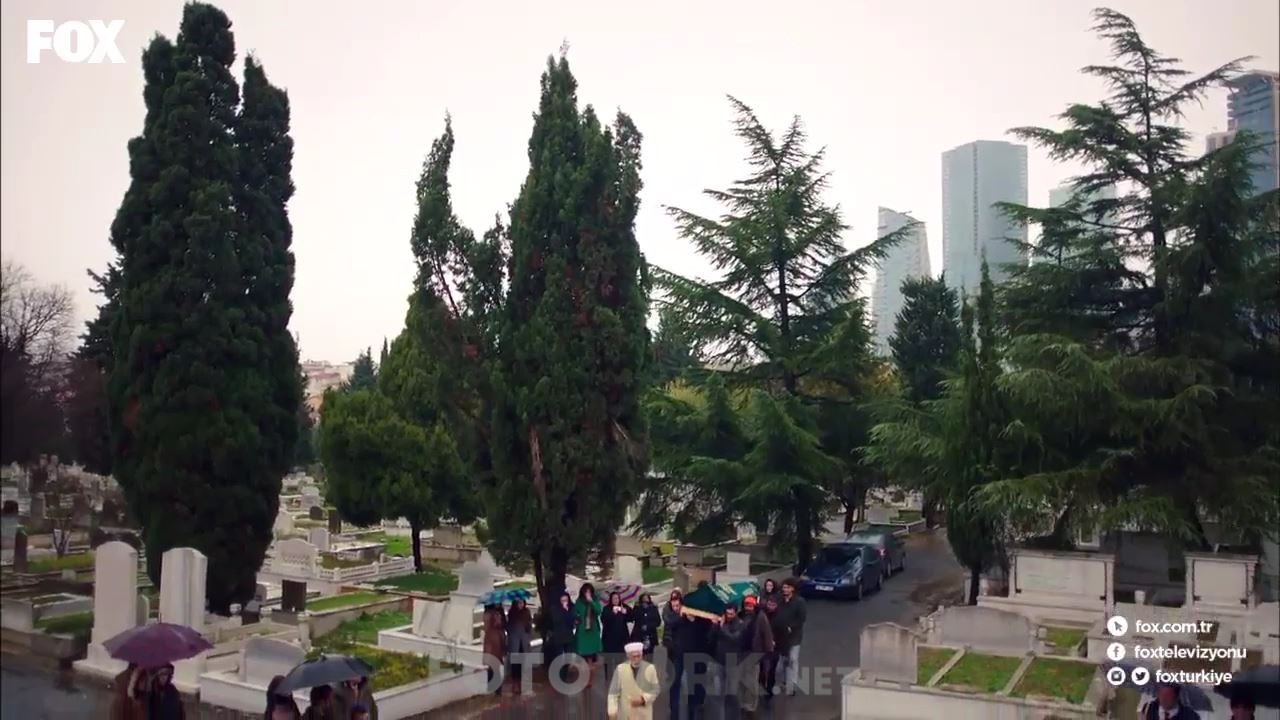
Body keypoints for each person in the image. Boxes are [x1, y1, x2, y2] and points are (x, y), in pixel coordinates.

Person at [738, 595, 774, 714]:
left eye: (750, 606)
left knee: (752, 681)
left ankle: (751, 705)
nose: (748, 608)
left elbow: (767, 635)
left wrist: (768, 652)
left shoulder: (761, 617)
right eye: (746, 605)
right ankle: (742, 702)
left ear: (755, 606)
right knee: (742, 680)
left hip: (754, 653)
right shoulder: (740, 616)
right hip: (741, 653)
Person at [712, 603, 748, 719]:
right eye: (727, 613)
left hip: (733, 661)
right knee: (719, 692)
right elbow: (712, 638)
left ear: (736, 613)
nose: (729, 616)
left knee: (733, 693)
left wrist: (722, 627)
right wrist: (715, 626)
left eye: (731, 614)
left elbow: (734, 638)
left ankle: (735, 716)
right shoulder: (721, 622)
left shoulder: (741, 624)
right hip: (720, 659)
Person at [607, 642, 659, 720]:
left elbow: (655, 689)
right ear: (628, 656)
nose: (637, 659)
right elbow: (613, 694)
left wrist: (643, 699)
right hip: (626, 715)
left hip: (643, 715)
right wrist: (612, 712)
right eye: (634, 656)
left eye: (639, 656)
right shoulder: (620, 669)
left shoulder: (650, 668)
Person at [775, 578, 807, 696]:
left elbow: (802, 618)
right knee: (782, 661)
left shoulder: (799, 602)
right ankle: (784, 680)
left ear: (792, 588)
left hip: (794, 636)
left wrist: (791, 626)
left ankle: (792, 685)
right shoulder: (779, 600)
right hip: (781, 636)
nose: (785, 589)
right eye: (784, 587)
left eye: (787, 587)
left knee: (793, 659)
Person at [573, 583, 604, 684]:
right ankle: (584, 677)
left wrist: (591, 602)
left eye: (589, 591)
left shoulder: (595, 600)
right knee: (583, 655)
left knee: (591, 656)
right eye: (586, 591)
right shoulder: (579, 602)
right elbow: (575, 613)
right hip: (582, 632)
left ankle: (589, 679)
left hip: (592, 631)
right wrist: (576, 619)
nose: (587, 593)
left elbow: (598, 611)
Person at [602, 591, 634, 686]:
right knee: (609, 659)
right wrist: (613, 613)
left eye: (617, 598)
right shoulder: (607, 608)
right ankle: (609, 678)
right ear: (611, 600)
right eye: (614, 598)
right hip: (609, 639)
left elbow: (631, 617)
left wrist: (626, 612)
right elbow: (604, 619)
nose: (616, 600)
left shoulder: (623, 606)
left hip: (621, 638)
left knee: (620, 659)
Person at [546, 591, 577, 683]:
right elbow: (556, 620)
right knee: (559, 657)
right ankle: (559, 677)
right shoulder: (555, 609)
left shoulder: (571, 608)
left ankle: (565, 674)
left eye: (566, 600)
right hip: (558, 636)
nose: (564, 602)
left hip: (568, 635)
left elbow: (572, 621)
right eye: (563, 600)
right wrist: (564, 611)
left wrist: (569, 613)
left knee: (568, 656)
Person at [506, 597, 534, 692]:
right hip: (515, 641)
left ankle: (522, 682)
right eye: (519, 603)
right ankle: (515, 683)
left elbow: (529, 625)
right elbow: (509, 627)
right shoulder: (512, 613)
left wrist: (528, 628)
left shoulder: (526, 612)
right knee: (515, 663)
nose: (521, 605)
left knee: (523, 662)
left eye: (522, 603)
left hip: (523, 641)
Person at [763, 596, 787, 698]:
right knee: (762, 669)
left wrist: (778, 645)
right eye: (769, 604)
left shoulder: (780, 618)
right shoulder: (763, 614)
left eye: (773, 605)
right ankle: (762, 686)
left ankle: (769, 691)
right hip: (762, 646)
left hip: (775, 648)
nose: (770, 607)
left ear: (776, 606)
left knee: (771, 670)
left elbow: (783, 634)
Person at [482, 603, 507, 694]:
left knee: (490, 666)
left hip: (489, 641)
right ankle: (497, 689)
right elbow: (499, 624)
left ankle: (491, 687)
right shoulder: (496, 614)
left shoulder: (486, 614)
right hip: (496, 641)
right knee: (495, 666)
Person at [630, 593, 661, 659]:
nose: (645, 601)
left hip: (651, 636)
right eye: (643, 599)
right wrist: (636, 607)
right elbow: (632, 618)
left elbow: (658, 622)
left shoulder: (653, 608)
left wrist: (648, 626)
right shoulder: (637, 608)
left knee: (651, 656)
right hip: (639, 637)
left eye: (646, 598)